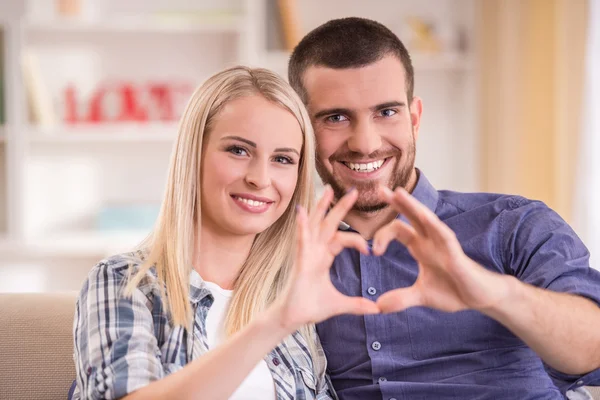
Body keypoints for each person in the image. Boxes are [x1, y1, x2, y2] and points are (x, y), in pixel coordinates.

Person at [287, 17, 600, 400]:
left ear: (414, 118)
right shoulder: (283, 254)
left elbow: (593, 350)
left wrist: (491, 292)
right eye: (336, 117)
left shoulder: (513, 225)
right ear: (301, 129)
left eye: (386, 112)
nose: (366, 144)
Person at [71, 66, 380, 400]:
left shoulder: (292, 302)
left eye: (282, 159)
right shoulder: (124, 283)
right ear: (195, 153)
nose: (261, 178)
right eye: (238, 150)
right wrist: (276, 323)